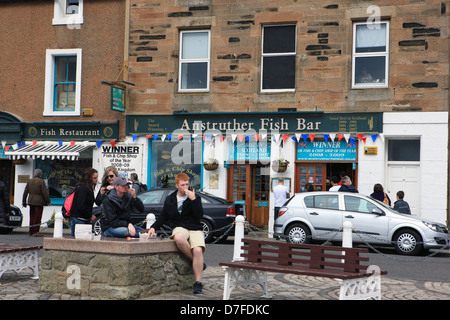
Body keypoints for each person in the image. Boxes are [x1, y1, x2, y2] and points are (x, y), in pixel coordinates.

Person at [147, 173, 205, 294]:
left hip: (194, 227)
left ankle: (198, 282)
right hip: (180, 227)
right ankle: (197, 261)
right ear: (177, 185)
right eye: (183, 185)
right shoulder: (171, 199)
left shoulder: (194, 197)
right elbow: (164, 216)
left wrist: (193, 200)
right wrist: (153, 227)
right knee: (178, 238)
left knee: (198, 250)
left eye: (187, 184)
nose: (185, 187)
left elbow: (199, 215)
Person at [69, 168, 99, 237]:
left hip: (84, 219)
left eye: (97, 177)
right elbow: (80, 206)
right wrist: (90, 215)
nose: (96, 179)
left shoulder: (88, 188)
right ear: (89, 178)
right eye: (94, 178)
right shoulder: (83, 189)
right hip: (79, 220)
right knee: (78, 242)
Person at [22, 169, 50, 236]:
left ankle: (30, 231)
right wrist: (48, 201)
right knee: (37, 218)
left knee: (31, 217)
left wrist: (24, 201)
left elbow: (25, 192)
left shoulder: (29, 181)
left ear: (35, 174)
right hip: (39, 202)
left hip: (31, 201)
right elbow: (44, 192)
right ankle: (35, 232)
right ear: (40, 174)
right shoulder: (41, 181)